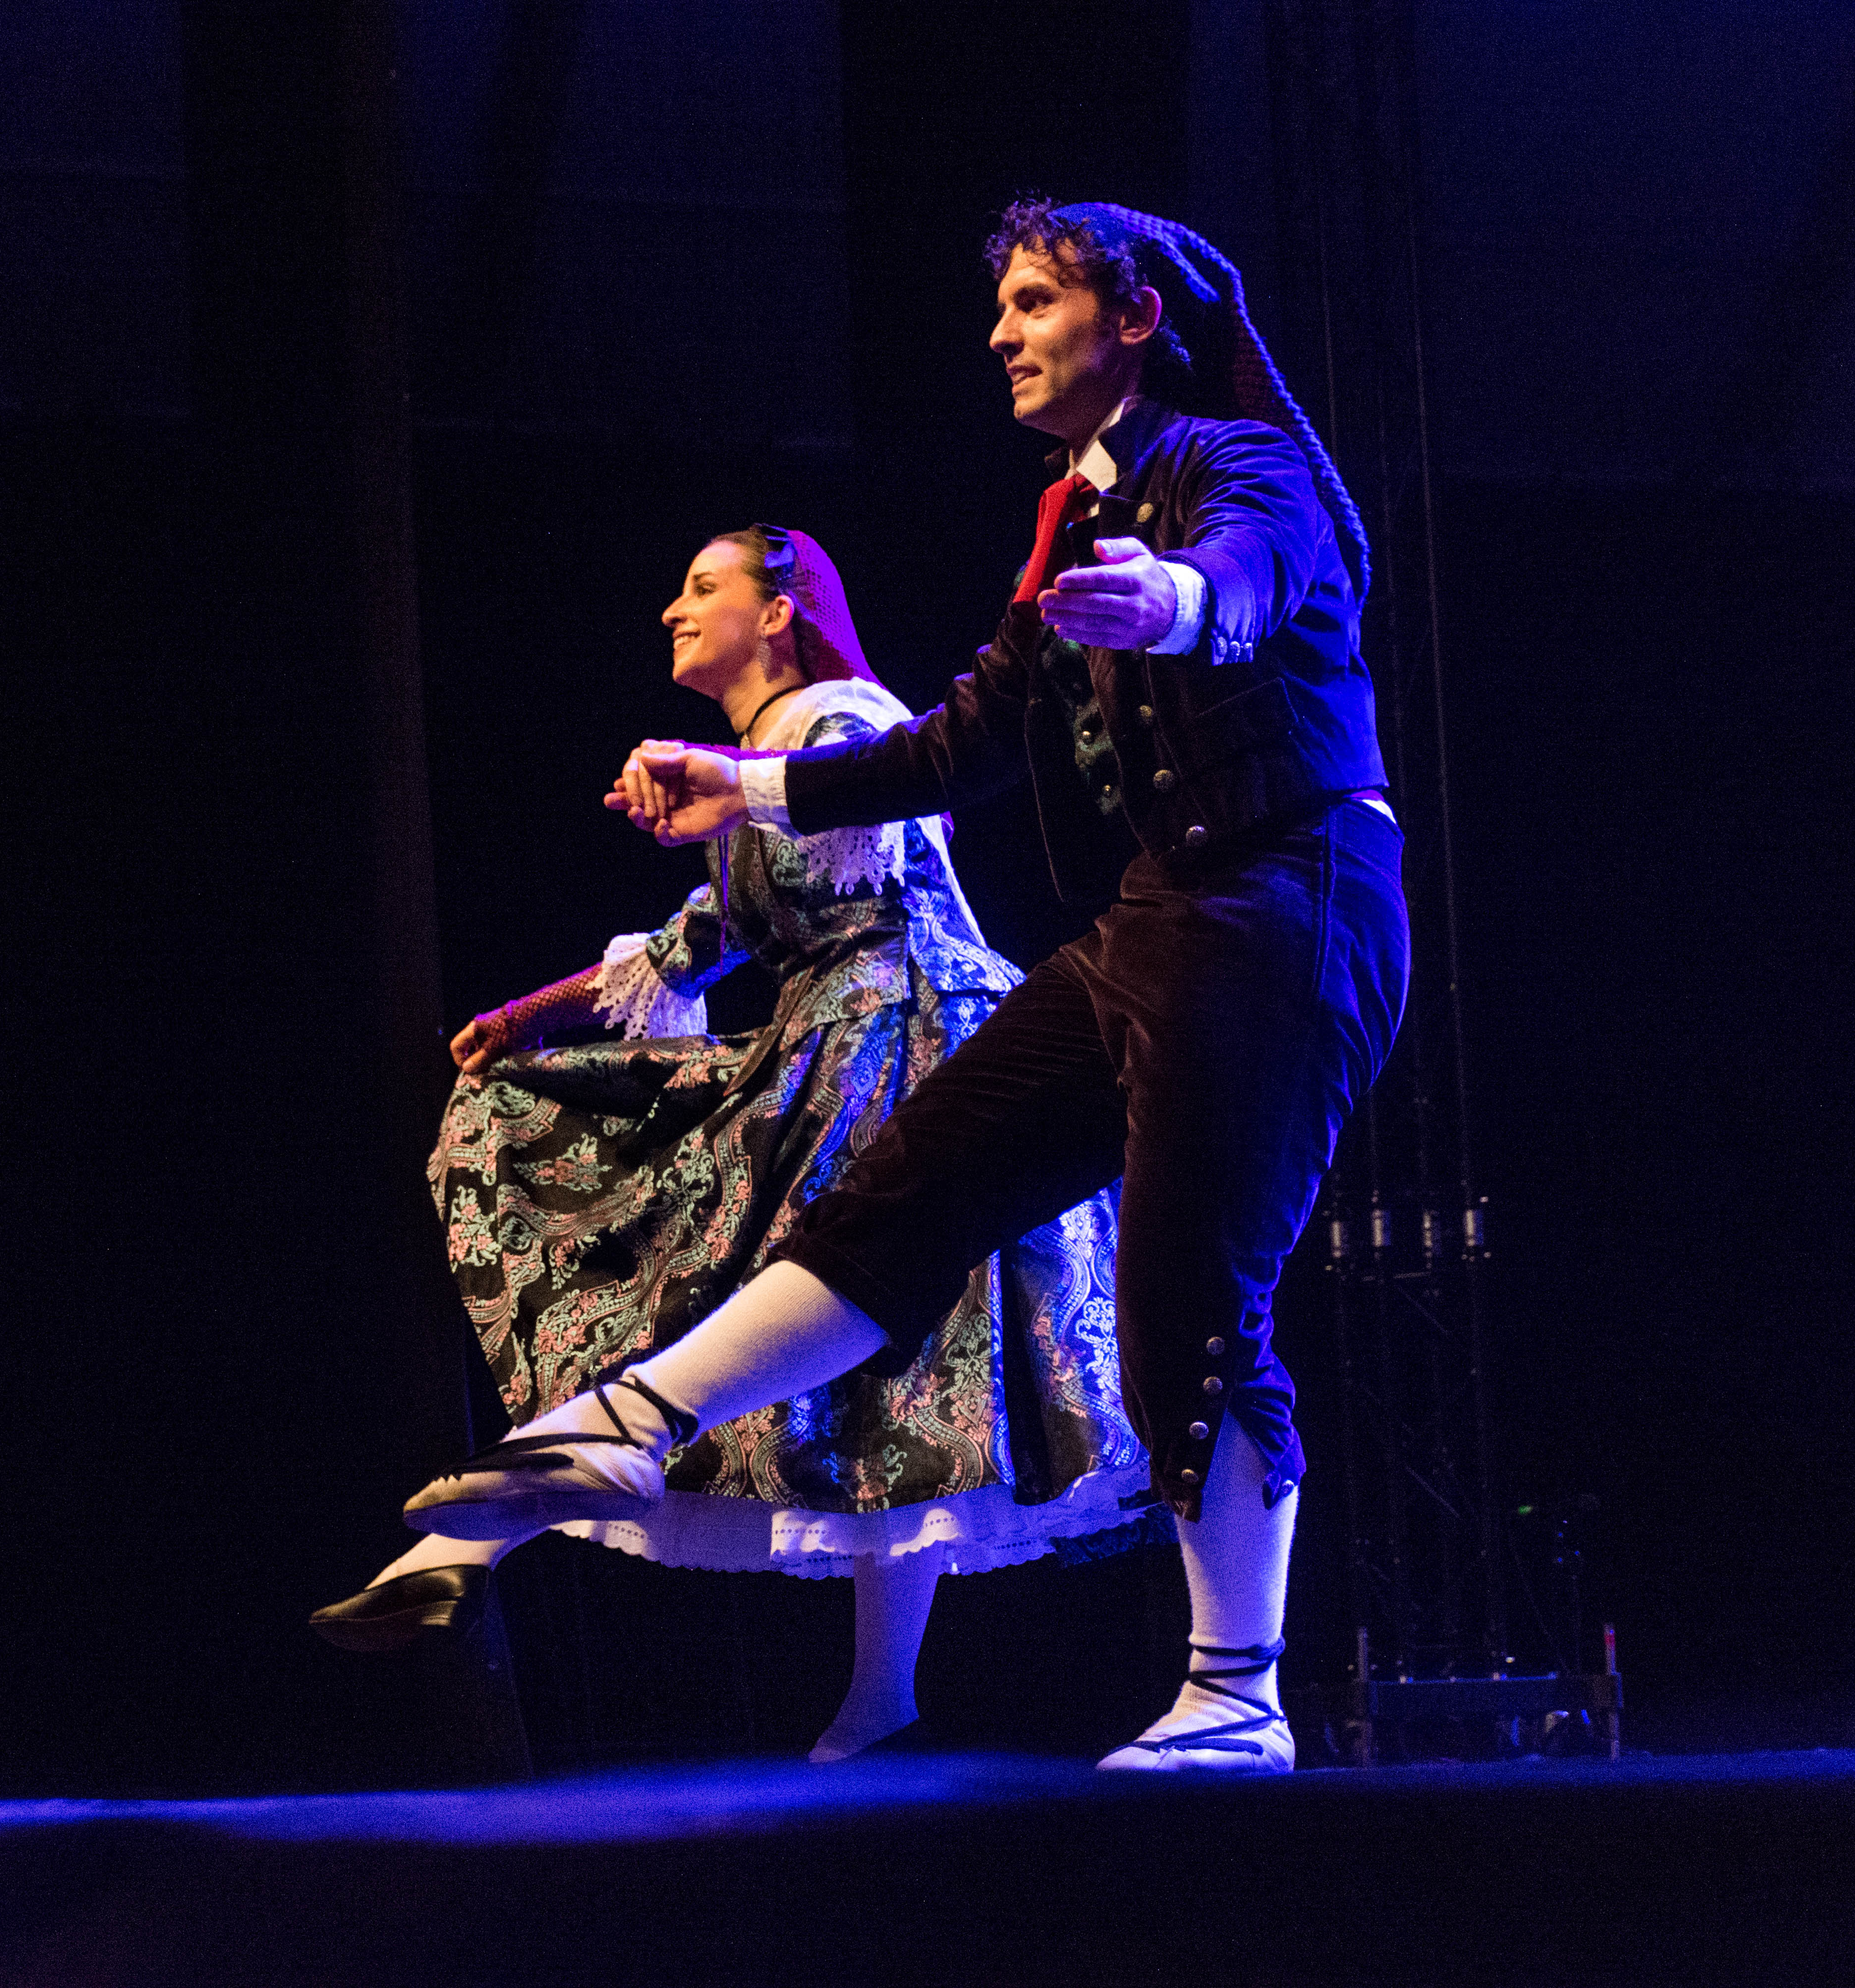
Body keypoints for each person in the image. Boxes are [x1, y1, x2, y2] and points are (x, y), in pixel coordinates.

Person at [401, 201, 1411, 1775]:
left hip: (1290, 901)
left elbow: (1256, 574)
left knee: (1189, 1303)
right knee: (903, 1188)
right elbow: (951, 747)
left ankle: (1238, 1694)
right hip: (1155, 919)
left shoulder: (1231, 463)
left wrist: (1176, 605)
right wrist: (733, 790)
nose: (1001, 334)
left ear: (1134, 316)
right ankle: (629, 1429)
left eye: (1031, 302)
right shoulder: (1069, 528)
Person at [313, 525, 1145, 1763]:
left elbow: (866, 825)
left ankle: (473, 1537)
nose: (670, 609)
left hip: (905, 1034)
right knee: (856, 1368)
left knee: (778, 1325)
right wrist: (522, 1018)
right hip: (835, 1037)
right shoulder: (758, 758)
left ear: (784, 606)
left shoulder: (839, 715)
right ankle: (879, 1702)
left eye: (704, 587)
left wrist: (715, 782)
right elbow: (706, 938)